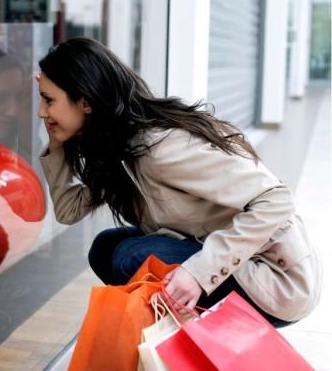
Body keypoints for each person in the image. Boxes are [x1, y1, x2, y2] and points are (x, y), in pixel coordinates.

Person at [36, 37, 321, 327]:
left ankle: (183, 342)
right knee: (105, 248)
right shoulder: (114, 148)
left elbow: (276, 200)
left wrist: (198, 272)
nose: (41, 112)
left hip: (274, 278)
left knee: (130, 256)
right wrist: (58, 144)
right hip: (222, 252)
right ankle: (168, 339)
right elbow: (68, 210)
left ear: (85, 102)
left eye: (48, 100)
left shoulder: (159, 147)